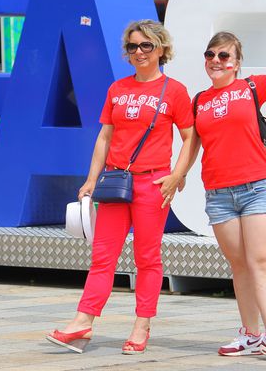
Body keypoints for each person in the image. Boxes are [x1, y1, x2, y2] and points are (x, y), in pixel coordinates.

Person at [46, 19, 194, 354]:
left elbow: (189, 137)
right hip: (115, 183)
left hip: (152, 184)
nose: (139, 52)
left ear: (161, 49)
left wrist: (176, 175)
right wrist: (90, 179)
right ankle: (83, 323)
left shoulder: (174, 91)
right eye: (132, 46)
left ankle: (142, 325)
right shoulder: (118, 89)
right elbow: (105, 137)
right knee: (102, 257)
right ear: (126, 53)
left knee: (147, 258)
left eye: (146, 45)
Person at [190, 31, 266, 356]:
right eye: (211, 55)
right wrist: (176, 176)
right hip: (218, 194)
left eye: (224, 55)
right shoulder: (199, 100)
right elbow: (191, 147)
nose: (216, 61)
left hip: (256, 186)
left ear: (236, 62)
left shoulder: (252, 86)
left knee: (259, 261)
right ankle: (251, 335)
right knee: (239, 266)